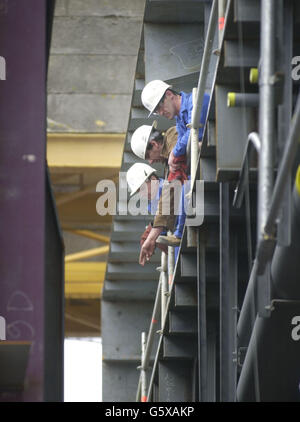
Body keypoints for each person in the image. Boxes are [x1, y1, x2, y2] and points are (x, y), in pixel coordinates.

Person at [130, 124, 187, 265]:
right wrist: (152, 232)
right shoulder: (168, 168)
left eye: (148, 156)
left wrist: (152, 235)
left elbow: (170, 192)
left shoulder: (173, 135)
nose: (150, 162)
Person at [141, 79, 210, 172]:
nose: (161, 113)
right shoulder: (180, 121)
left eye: (160, 107)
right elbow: (183, 140)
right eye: (156, 111)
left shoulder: (195, 100)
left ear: (169, 94)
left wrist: (174, 152)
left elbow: (194, 133)